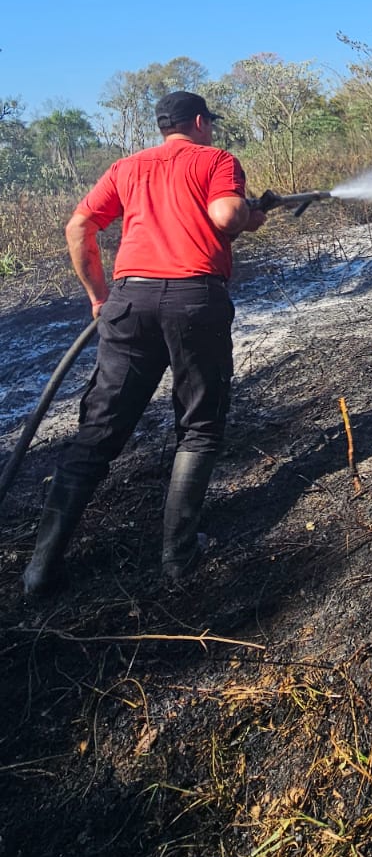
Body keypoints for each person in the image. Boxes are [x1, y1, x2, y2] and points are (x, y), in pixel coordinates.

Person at [23, 91, 267, 597]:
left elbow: (79, 225)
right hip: (194, 302)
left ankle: (38, 573)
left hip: (129, 304)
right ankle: (180, 558)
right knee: (198, 428)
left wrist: (99, 297)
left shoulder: (127, 167)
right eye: (210, 124)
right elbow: (223, 217)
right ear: (200, 122)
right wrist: (247, 212)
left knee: (97, 435)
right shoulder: (216, 160)